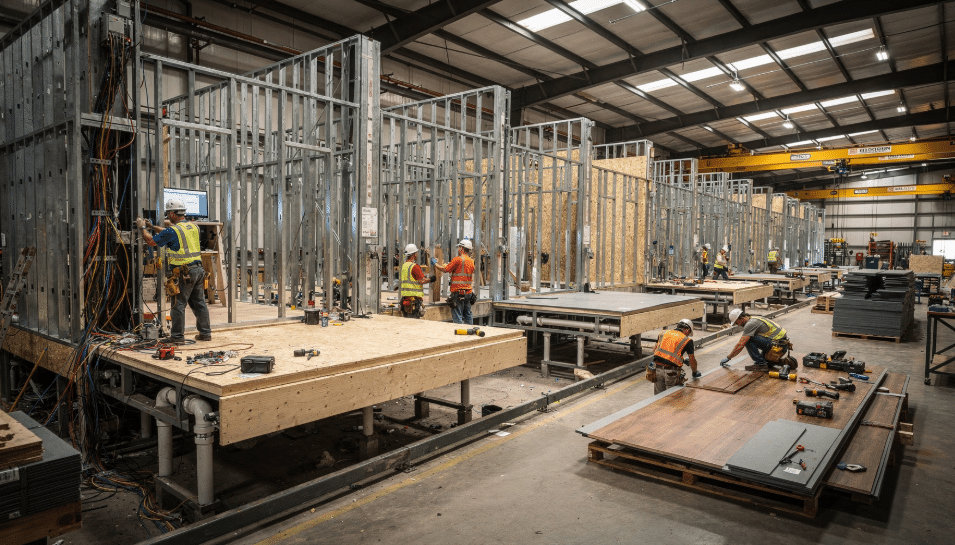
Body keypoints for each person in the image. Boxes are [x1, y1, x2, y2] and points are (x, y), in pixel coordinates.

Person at [136, 200, 212, 343]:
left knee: (178, 305)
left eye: (168, 214)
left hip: (184, 273)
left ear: (172, 213)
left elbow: (152, 241)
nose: (167, 216)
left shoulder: (174, 230)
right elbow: (167, 233)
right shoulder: (193, 227)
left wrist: (143, 228)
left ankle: (177, 337)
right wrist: (152, 226)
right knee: (200, 303)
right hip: (199, 270)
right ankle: (205, 333)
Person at [719, 309, 795, 371]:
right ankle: (780, 361)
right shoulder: (755, 318)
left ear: (741, 318)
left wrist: (729, 357)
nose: (737, 324)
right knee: (767, 363)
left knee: (748, 339)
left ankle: (760, 364)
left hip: (777, 346)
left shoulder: (750, 324)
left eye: (736, 322)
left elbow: (740, 344)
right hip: (781, 345)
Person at [651, 319, 700, 394]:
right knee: (672, 400)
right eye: (689, 333)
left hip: (657, 370)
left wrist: (682, 360)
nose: (687, 335)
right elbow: (692, 360)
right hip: (671, 373)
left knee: (658, 399)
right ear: (687, 330)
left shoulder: (663, 333)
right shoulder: (687, 340)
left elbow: (655, 351)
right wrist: (695, 372)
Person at [434, 239, 476, 324]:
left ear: (461, 248)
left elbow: (446, 269)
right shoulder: (471, 261)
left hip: (459, 292)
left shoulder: (457, 259)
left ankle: (459, 333)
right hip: (468, 292)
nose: (458, 249)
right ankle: (470, 332)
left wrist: (435, 264)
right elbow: (462, 270)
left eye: (459, 247)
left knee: (457, 315)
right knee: (468, 314)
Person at [398, 244, 434, 318]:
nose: (417, 254)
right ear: (414, 254)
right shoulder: (414, 266)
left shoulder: (404, 266)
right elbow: (422, 281)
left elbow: (411, 278)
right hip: (414, 300)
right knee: (414, 323)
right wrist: (431, 279)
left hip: (405, 299)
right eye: (416, 253)